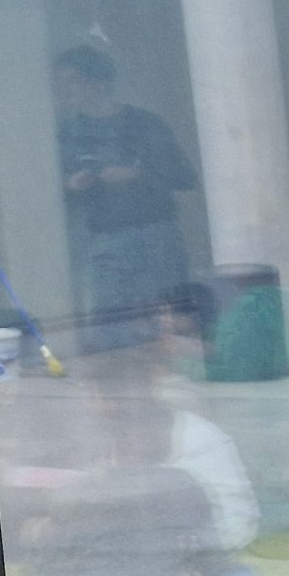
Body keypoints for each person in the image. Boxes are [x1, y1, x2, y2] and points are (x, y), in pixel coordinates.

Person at [53, 41, 199, 354]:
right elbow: (47, 192)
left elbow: (184, 177)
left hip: (157, 235)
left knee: (170, 320)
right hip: (104, 239)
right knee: (110, 326)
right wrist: (71, 185)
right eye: (60, 82)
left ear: (99, 82)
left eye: (73, 80)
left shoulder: (145, 124)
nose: (65, 89)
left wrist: (136, 174)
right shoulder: (66, 134)